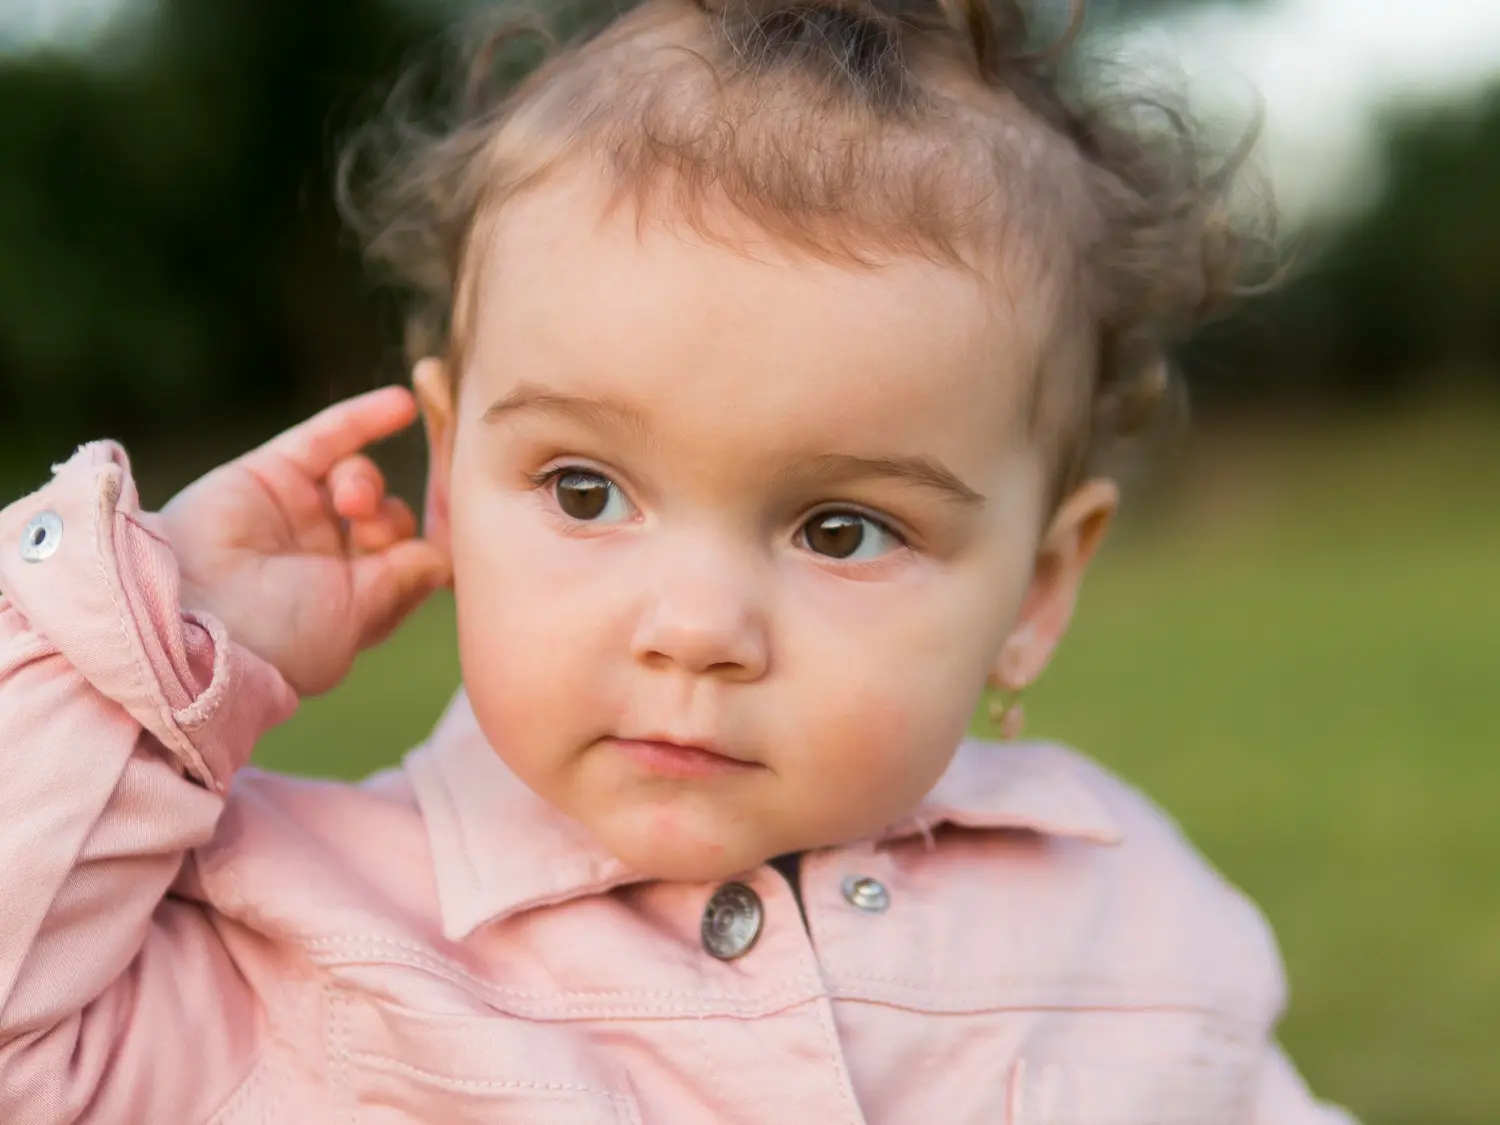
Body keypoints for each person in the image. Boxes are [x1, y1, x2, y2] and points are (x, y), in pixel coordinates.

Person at [0, 1, 1358, 1121]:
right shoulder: (296, 934)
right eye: (584, 490)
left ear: (1038, 592)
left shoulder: (1132, 927)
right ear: (455, 482)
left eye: (842, 528)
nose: (698, 628)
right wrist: (141, 648)